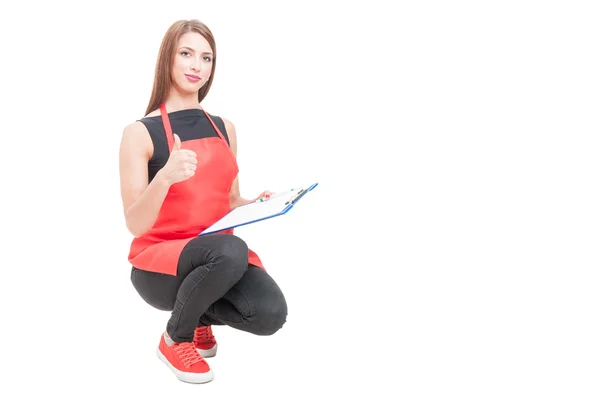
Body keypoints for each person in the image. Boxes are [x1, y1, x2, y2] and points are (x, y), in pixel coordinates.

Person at [118, 19, 288, 384]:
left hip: (217, 258)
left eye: (206, 58)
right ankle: (175, 337)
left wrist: (257, 203)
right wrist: (164, 177)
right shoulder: (139, 133)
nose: (197, 65)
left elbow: (229, 200)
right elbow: (134, 223)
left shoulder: (224, 127)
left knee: (270, 312)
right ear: (168, 59)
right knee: (230, 250)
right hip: (160, 264)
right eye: (186, 54)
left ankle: (196, 319)